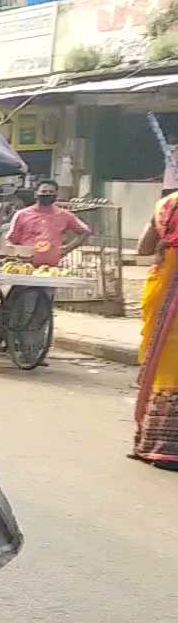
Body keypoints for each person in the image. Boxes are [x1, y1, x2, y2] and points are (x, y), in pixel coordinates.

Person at [133, 189, 178, 470]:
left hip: (164, 285)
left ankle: (157, 443)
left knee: (164, 361)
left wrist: (168, 239)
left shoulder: (166, 205)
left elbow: (143, 249)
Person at [6, 179, 90, 267]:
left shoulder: (65, 215)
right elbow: (10, 240)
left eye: (51, 192)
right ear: (36, 194)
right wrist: (18, 255)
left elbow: (85, 231)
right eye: (44, 191)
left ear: (56, 195)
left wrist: (67, 248)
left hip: (51, 267)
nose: (47, 194)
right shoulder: (22, 214)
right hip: (25, 266)